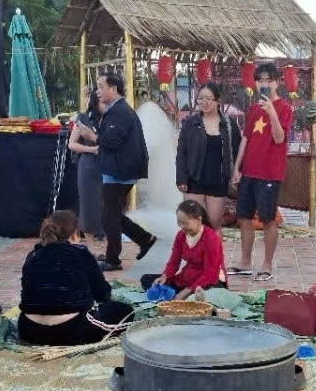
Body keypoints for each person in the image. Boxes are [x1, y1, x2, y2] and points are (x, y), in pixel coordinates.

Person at [19, 209, 134, 345]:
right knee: (127, 312)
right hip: (72, 331)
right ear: (75, 234)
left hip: (28, 330)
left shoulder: (32, 255)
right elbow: (102, 295)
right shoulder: (81, 253)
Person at [231, 63, 291, 281]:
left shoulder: (284, 108)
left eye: (269, 80)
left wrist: (272, 112)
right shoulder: (253, 108)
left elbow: (279, 138)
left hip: (270, 173)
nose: (264, 84)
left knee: (267, 220)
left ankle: (267, 264)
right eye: (260, 80)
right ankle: (245, 262)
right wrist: (237, 168)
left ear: (277, 82)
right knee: (244, 218)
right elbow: (246, 138)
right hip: (249, 172)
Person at [96, 72, 156, 272]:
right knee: (112, 214)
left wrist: (92, 136)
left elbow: (112, 141)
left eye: (101, 86)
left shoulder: (119, 112)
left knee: (109, 215)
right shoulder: (117, 110)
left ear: (113, 89)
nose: (98, 91)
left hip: (119, 171)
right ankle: (145, 239)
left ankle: (114, 259)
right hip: (118, 169)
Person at [176, 81, 239, 229]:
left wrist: (237, 172)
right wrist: (181, 178)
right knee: (191, 223)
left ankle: (215, 253)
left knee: (214, 224)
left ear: (217, 101)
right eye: (200, 98)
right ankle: (192, 253)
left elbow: (236, 151)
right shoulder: (190, 123)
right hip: (194, 180)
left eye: (208, 99)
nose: (204, 102)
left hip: (218, 181)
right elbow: (181, 153)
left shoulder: (229, 124)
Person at [150, 200, 225, 299]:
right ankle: (183, 294)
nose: (181, 226)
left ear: (199, 220)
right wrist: (165, 276)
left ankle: (187, 295)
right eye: (179, 222)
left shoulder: (211, 238)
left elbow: (210, 274)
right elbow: (174, 261)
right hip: (188, 277)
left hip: (209, 280)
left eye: (185, 223)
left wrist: (187, 291)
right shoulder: (181, 235)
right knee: (149, 281)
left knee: (204, 296)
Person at [68, 88, 106, 242]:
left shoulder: (113, 118)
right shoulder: (83, 118)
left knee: (108, 206)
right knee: (88, 206)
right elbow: (72, 144)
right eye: (102, 102)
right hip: (89, 165)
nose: (106, 105)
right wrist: (91, 149)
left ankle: (111, 248)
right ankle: (90, 247)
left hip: (109, 166)